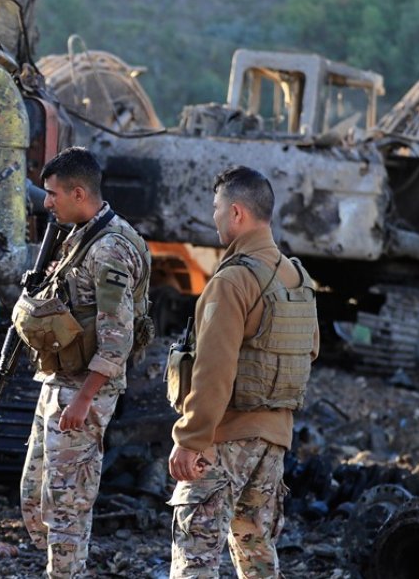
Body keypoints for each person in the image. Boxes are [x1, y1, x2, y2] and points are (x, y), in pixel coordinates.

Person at [167, 165, 319, 578]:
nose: (213, 216)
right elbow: (309, 351)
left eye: (217, 208)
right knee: (256, 553)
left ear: (237, 213)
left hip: (226, 438)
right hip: (274, 441)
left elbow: (214, 370)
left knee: (196, 555)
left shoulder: (233, 280)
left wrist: (192, 438)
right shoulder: (298, 278)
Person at [15, 147, 151, 578]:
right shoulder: (78, 235)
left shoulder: (110, 249)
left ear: (78, 193)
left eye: (53, 194)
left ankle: (66, 572)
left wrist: (84, 400)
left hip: (84, 388)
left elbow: (116, 338)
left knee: (67, 501)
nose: (46, 202)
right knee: (36, 493)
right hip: (59, 378)